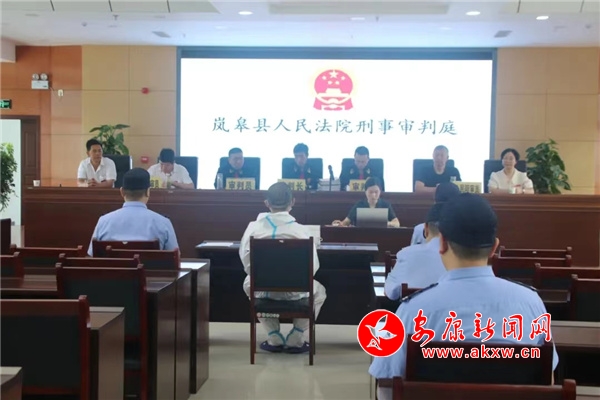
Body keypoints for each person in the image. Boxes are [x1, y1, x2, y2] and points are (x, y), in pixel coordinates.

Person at [369, 193, 558, 400]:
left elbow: (386, 388)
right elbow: (547, 382)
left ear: (442, 243)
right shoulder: (532, 304)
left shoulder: (413, 310)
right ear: (494, 248)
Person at [239, 182, 327, 353]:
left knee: (247, 283)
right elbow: (313, 269)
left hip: (263, 291)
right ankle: (297, 336)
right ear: (292, 202)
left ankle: (273, 336)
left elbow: (246, 263)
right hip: (296, 292)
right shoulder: (302, 231)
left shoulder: (253, 229)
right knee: (320, 291)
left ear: (267, 203)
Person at [87, 168, 179, 256]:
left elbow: (92, 257)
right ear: (148, 192)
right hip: (148, 268)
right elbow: (174, 258)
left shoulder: (103, 222)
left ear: (122, 192)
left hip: (112, 268)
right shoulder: (163, 223)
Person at [385, 203, 446, 300]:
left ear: (425, 229)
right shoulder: (460, 258)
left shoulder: (406, 254)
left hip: (414, 309)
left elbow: (392, 292)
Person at [332, 177, 399, 227]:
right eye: (370, 192)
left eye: (376, 192)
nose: (373, 195)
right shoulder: (359, 205)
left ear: (380, 191)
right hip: (361, 236)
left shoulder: (385, 205)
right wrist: (339, 224)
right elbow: (346, 222)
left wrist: (386, 223)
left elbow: (397, 223)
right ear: (365, 192)